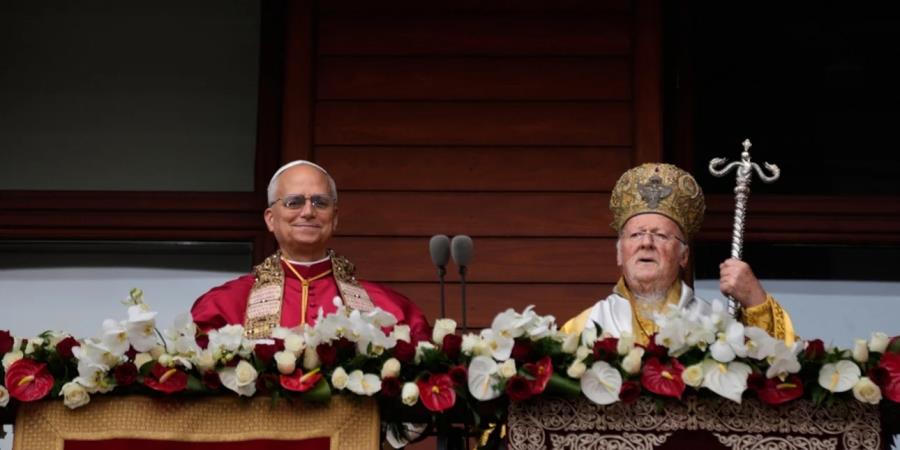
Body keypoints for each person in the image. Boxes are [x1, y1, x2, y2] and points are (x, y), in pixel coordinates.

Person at [191, 160, 431, 342]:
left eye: (320, 202)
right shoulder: (222, 305)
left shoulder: (391, 310)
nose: (308, 212)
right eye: (293, 202)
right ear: (271, 219)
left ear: (334, 218)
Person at [561, 163, 795, 344]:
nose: (647, 243)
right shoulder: (582, 328)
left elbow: (779, 369)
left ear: (684, 256)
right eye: (635, 235)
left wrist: (755, 300)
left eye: (661, 235)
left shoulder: (714, 326)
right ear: (619, 254)